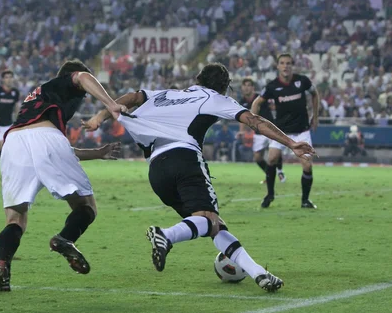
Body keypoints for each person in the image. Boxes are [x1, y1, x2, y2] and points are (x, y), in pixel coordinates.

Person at [84, 63, 315, 292]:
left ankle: (259, 274)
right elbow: (255, 121)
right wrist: (291, 143)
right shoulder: (215, 98)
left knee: (214, 225)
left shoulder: (167, 94)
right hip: (184, 159)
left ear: (197, 78)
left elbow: (133, 98)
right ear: (225, 87)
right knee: (207, 219)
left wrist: (100, 116)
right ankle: (166, 235)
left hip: (156, 169)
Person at [0, 59, 124, 292]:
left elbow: (51, 149)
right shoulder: (65, 82)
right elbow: (82, 77)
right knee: (86, 206)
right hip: (43, 139)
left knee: (15, 218)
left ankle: (2, 267)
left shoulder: (38, 98)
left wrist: (97, 153)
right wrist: (111, 104)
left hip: (13, 143)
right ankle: (65, 238)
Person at [252, 53, 319, 209]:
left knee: (307, 166)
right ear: (278, 66)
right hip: (281, 132)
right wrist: (253, 122)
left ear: (292, 65)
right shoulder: (272, 86)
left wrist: (315, 116)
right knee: (272, 159)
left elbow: (315, 94)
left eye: (288, 63)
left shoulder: (302, 81)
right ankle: (269, 194)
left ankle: (305, 200)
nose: (285, 66)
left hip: (302, 130)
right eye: (282, 63)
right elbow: (257, 103)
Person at [239, 78, 286, 184]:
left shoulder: (260, 98)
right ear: (242, 88)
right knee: (257, 158)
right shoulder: (242, 101)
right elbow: (241, 118)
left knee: (274, 152)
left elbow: (273, 105)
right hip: (258, 132)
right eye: (244, 85)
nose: (246, 87)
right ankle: (269, 175)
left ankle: (280, 171)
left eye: (248, 85)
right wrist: (241, 131)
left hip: (270, 129)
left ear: (253, 88)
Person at [0, 70, 21, 176]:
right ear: (3, 79)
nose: (9, 79)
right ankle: (7, 169)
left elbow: (17, 106)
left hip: (8, 123)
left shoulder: (15, 92)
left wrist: (18, 117)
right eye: (6, 77)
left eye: (10, 77)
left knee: (6, 146)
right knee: (2, 145)